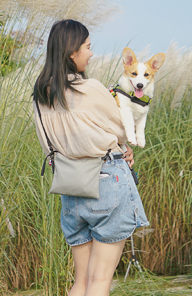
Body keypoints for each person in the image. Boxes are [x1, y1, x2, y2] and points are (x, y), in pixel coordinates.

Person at [33, 19, 149, 296]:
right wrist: (124, 145)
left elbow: (48, 141)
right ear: (72, 52)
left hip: (71, 187)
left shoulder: (41, 94)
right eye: (87, 46)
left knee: (81, 282)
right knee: (99, 282)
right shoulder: (90, 88)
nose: (91, 53)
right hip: (106, 182)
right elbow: (122, 128)